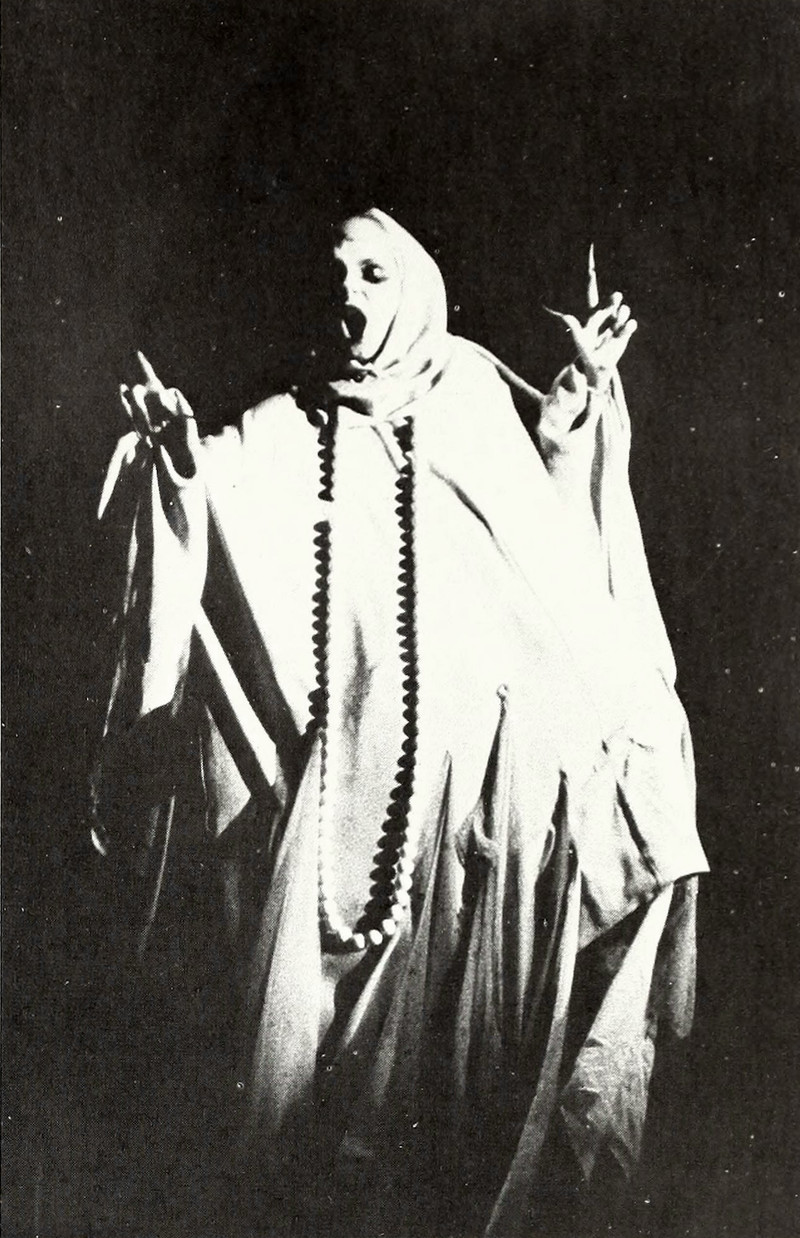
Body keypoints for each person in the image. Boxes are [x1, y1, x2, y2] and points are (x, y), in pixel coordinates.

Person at [93, 208, 708, 1236]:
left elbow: (558, 543)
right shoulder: (286, 423)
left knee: (467, 1069)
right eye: (336, 276)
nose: (351, 294)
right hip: (348, 799)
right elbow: (211, 503)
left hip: (479, 804)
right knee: (334, 1107)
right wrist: (176, 462)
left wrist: (576, 415)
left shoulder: (471, 389)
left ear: (417, 286)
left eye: (375, 273)